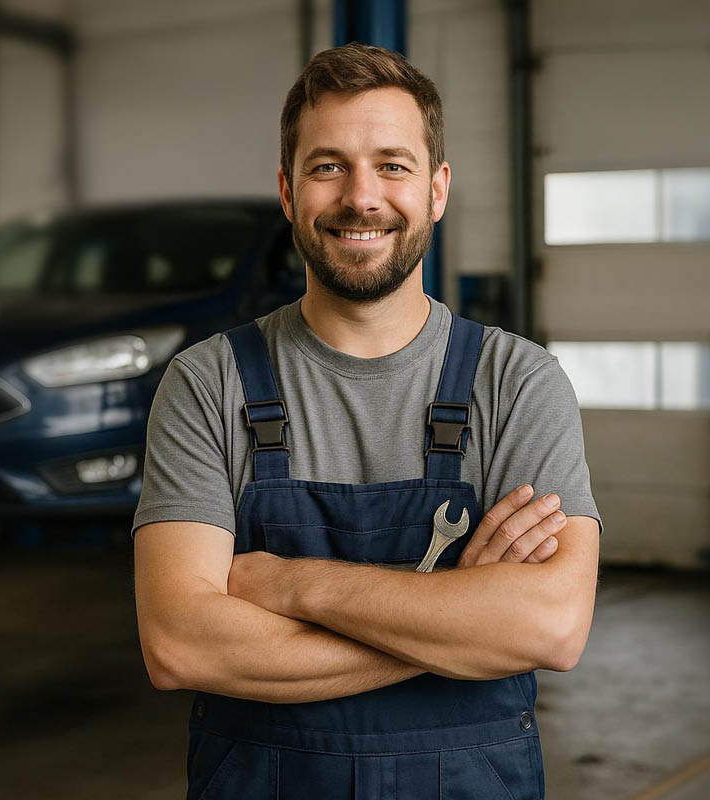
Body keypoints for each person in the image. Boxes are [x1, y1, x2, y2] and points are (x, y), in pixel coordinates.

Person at [133, 42, 602, 800]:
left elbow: (550, 628)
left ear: (438, 189)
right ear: (288, 192)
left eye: (393, 164)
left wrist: (291, 585)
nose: (362, 196)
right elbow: (181, 644)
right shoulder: (206, 383)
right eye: (328, 166)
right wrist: (459, 616)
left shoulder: (517, 382)